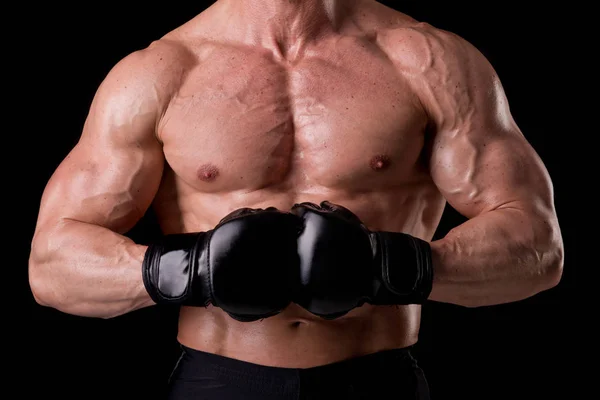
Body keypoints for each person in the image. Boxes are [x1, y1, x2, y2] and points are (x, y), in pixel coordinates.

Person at [28, 1, 564, 399]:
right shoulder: (161, 72)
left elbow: (537, 248)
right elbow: (52, 266)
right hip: (219, 383)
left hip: (378, 382)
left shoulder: (429, 61)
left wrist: (388, 267)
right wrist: (188, 271)